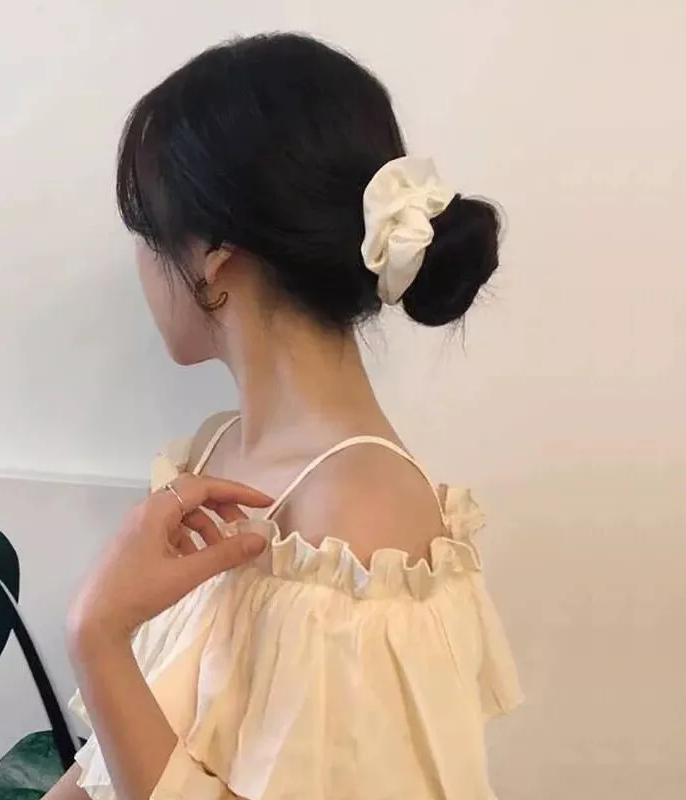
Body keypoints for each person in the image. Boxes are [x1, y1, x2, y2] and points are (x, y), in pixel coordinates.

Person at [44, 32, 522, 800]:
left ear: (214, 260)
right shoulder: (219, 450)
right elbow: (119, 760)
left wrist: (97, 639)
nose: (139, 262)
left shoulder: (361, 526)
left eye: (147, 233)